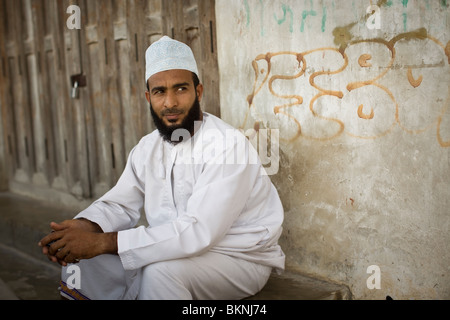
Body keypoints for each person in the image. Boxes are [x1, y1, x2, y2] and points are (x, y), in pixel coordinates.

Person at [38, 36, 285, 300]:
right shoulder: (148, 148)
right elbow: (119, 205)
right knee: (84, 261)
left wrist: (103, 242)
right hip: (171, 249)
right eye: (159, 92)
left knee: (160, 272)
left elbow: (199, 231)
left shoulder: (228, 146)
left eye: (180, 89)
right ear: (148, 97)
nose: (170, 102)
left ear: (198, 92)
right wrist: (80, 229)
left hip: (236, 257)